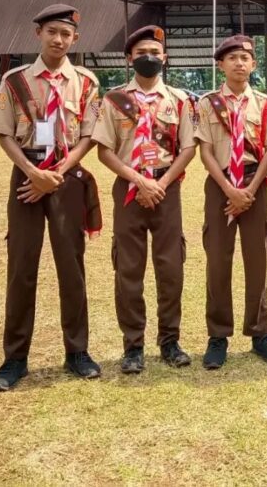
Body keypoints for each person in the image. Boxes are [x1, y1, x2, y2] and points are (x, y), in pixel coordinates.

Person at [0, 4, 104, 391]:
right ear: (38, 33)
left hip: (67, 179)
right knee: (22, 267)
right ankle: (14, 358)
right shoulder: (16, 81)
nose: (58, 39)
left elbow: (88, 134)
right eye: (52, 31)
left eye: (65, 34)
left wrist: (58, 173)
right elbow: (4, 133)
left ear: (75, 39)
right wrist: (35, 173)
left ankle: (77, 352)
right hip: (27, 176)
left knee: (72, 267)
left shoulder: (86, 82)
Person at [92, 25, 197, 373]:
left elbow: (188, 147)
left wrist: (161, 183)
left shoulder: (180, 101)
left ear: (164, 58)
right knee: (128, 269)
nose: (148, 58)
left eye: (154, 53)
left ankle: (170, 340)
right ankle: (133, 346)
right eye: (140, 54)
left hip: (167, 189)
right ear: (128, 59)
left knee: (170, 268)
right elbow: (104, 151)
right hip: (129, 190)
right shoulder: (114, 99)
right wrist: (139, 181)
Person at [195, 35, 267, 369]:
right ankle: (218, 335)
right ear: (221, 64)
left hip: (254, 183)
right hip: (219, 185)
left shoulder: (264, 103)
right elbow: (204, 150)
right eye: (232, 58)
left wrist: (249, 190)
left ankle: (260, 332)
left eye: (245, 57)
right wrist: (229, 190)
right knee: (218, 260)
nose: (239, 63)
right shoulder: (207, 103)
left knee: (256, 259)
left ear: (254, 64)